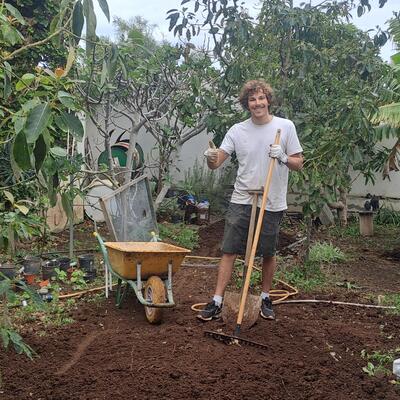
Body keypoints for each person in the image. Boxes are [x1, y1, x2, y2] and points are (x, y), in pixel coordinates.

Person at [198, 79, 303, 321]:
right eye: (252, 99)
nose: (257, 103)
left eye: (261, 98)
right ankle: (217, 300)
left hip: (271, 200)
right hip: (242, 198)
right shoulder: (237, 130)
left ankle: (265, 297)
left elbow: (299, 163)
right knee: (229, 250)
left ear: (268, 100)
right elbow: (216, 163)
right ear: (247, 104)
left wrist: (283, 157)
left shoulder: (285, 127)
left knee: (268, 251)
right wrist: (210, 157)